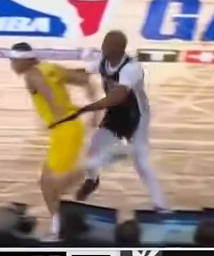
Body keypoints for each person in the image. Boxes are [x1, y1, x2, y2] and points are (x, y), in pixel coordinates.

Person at [68, 30, 168, 211]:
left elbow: (117, 97)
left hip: (136, 115)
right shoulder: (103, 61)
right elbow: (83, 74)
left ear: (119, 49)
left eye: (107, 45)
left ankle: (161, 205)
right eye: (104, 43)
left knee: (141, 163)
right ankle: (92, 181)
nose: (103, 47)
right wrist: (58, 74)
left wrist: (85, 109)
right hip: (115, 112)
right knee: (93, 149)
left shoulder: (132, 67)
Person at [8, 42, 97, 236]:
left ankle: (93, 167)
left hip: (64, 130)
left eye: (14, 61)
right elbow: (85, 79)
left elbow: (46, 89)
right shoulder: (50, 68)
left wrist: (57, 109)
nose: (12, 65)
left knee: (56, 186)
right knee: (45, 183)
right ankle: (57, 224)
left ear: (25, 61)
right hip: (66, 129)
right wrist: (94, 110)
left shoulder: (32, 75)